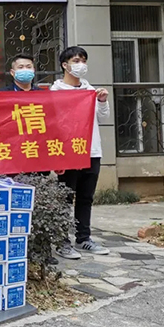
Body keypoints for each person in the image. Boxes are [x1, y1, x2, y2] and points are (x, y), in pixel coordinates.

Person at [51, 46, 111, 259]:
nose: (81, 64)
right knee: (65, 197)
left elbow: (102, 118)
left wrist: (102, 101)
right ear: (64, 65)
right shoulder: (55, 92)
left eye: (83, 60)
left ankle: (83, 238)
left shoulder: (90, 90)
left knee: (86, 197)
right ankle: (62, 241)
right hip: (68, 153)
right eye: (76, 61)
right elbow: (52, 125)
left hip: (91, 151)